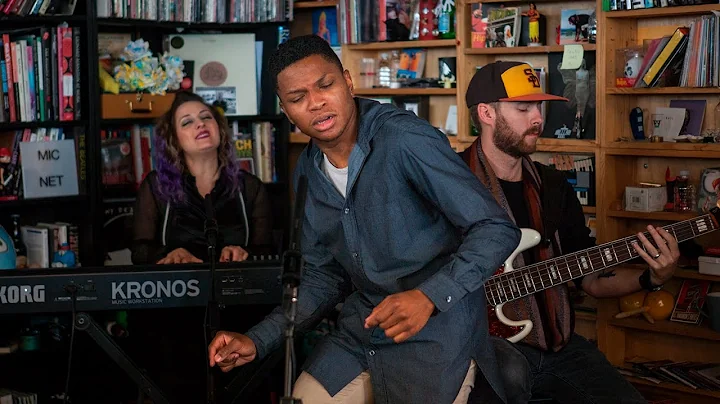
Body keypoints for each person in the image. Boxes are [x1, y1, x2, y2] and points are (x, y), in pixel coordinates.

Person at [208, 34, 521, 404]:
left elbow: (495, 228)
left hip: (438, 331)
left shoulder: (406, 139)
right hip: (363, 332)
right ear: (285, 109)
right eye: (297, 98)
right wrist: (257, 340)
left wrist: (428, 297)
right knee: (304, 399)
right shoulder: (306, 172)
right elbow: (322, 277)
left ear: (348, 82)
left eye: (326, 85)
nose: (316, 103)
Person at [462, 61, 680, 404]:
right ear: (487, 113)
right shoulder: (450, 183)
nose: (538, 118)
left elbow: (589, 279)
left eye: (539, 106)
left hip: (558, 344)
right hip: (483, 349)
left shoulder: (553, 187)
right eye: (523, 108)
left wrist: (652, 279)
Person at [131, 91, 274, 265]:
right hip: (179, 286)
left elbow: (267, 253)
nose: (200, 124)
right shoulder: (156, 186)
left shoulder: (251, 187)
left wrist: (244, 253)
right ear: (174, 139)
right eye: (187, 122)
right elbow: (139, 253)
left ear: (219, 129)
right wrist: (171, 254)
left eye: (206, 117)